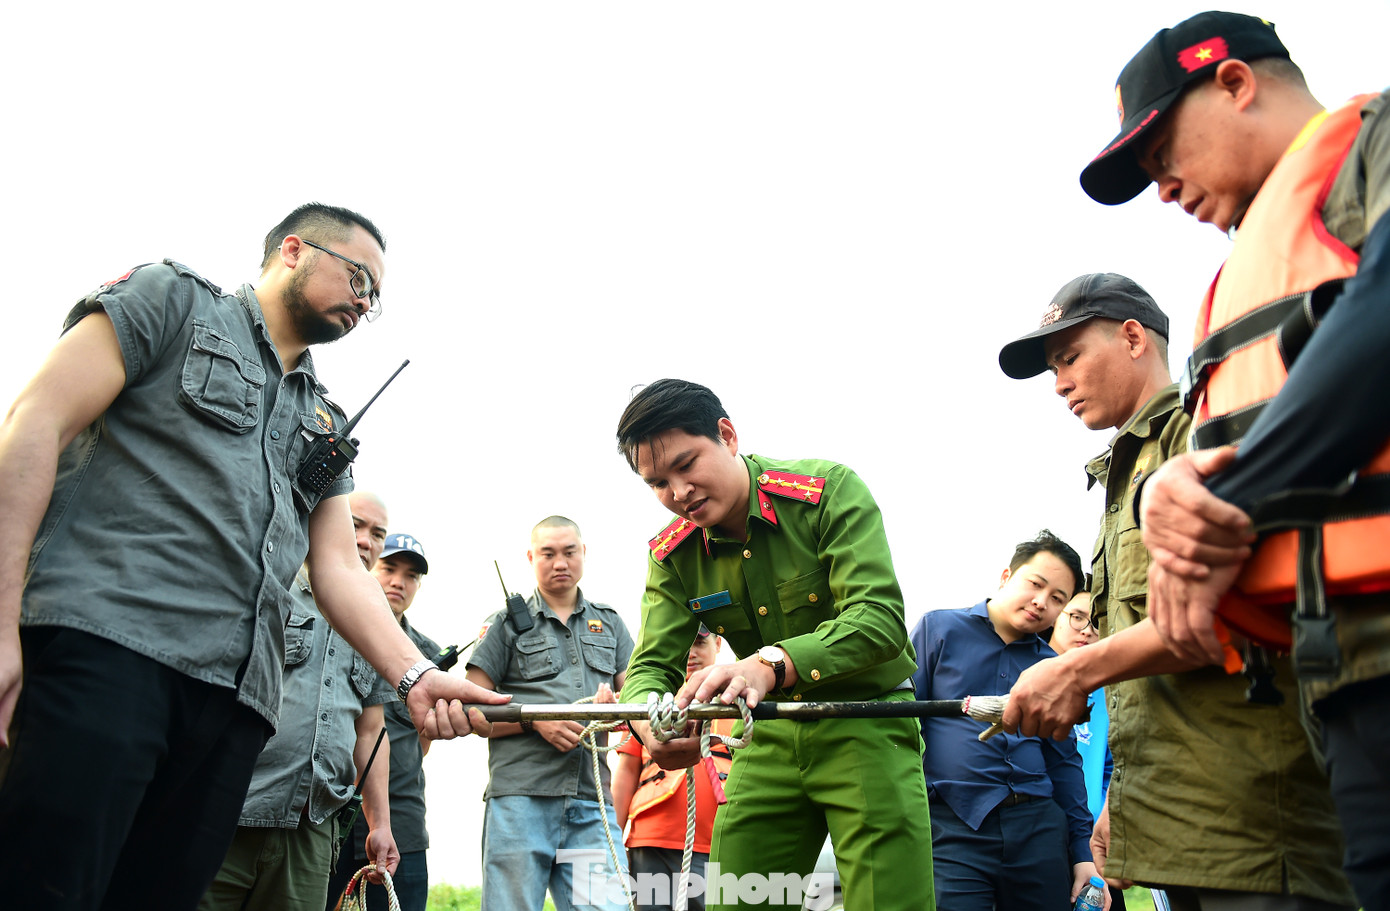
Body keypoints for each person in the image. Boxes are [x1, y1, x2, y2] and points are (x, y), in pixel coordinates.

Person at [0, 203, 504, 911]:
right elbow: (35, 420)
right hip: (108, 650)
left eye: (376, 296)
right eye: (359, 277)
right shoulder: (171, 301)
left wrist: (415, 673)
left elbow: (337, 568)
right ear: (293, 250)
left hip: (233, 710)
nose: (365, 301)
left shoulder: (323, 421)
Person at [1074, 11, 1390, 906]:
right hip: (1335, 678)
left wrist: (1229, 493)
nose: (1162, 188)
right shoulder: (1232, 288)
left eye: (1162, 151)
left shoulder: (1374, 146)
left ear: (1235, 82)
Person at [998, 273, 1355, 909]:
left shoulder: (1203, 427)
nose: (1059, 385)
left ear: (1133, 338)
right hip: (1181, 806)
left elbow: (1229, 609)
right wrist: (1125, 798)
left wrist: (1073, 670)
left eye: (1070, 358)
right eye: (1053, 369)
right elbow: (1146, 667)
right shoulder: (1126, 465)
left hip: (1248, 803)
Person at [612, 378, 934, 911]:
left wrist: (769, 665)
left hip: (867, 720)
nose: (679, 492)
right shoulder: (673, 554)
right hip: (765, 733)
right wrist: (651, 727)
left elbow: (878, 619)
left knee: (891, 901)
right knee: (738, 897)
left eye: (686, 464)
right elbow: (649, 665)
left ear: (727, 435)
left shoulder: (827, 492)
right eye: (658, 483)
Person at [200, 490, 399, 910]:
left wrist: (380, 823)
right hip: (228, 808)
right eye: (355, 525)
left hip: (312, 827)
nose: (365, 540)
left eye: (378, 533)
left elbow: (371, 731)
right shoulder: (269, 584)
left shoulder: (378, 624)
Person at [911, 530, 1100, 910]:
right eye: (1035, 584)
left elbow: (1064, 763)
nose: (1041, 602)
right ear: (1005, 576)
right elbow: (904, 726)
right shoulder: (939, 630)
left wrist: (1083, 853)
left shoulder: (1053, 666)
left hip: (1039, 828)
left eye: (1057, 599)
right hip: (951, 823)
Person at [464, 516, 634, 911]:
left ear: (583, 553)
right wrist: (533, 721)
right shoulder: (504, 624)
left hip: (592, 800)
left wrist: (615, 709)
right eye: (548, 553)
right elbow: (470, 709)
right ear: (531, 558)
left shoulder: (610, 623)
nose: (560, 563)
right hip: (521, 799)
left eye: (569, 552)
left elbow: (637, 697)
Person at [326, 530, 440, 911]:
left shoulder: (427, 657)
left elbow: (422, 740)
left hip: (402, 821)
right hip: (329, 813)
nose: (398, 582)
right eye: (389, 569)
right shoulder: (331, 633)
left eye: (411, 576)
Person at [612, 625, 735, 911]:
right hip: (650, 841)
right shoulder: (649, 701)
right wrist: (613, 844)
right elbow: (626, 771)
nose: (690, 654)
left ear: (718, 644)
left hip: (718, 843)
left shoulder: (740, 701)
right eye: (684, 645)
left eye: (699, 644)